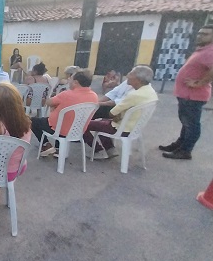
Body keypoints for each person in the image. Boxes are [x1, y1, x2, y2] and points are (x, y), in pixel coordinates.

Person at [159, 24, 213, 160]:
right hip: (187, 95)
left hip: (193, 95)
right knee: (186, 122)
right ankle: (180, 145)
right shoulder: (202, 50)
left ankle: (185, 151)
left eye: (205, 34)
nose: (200, 36)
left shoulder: (210, 51)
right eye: (200, 33)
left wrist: (199, 83)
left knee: (192, 124)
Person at [83, 65, 158, 159]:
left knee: (82, 124)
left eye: (131, 74)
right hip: (133, 125)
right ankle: (110, 149)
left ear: (138, 79)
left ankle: (98, 151)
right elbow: (113, 94)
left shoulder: (134, 95)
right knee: (102, 121)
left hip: (123, 127)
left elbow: (112, 113)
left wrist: (114, 115)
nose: (128, 75)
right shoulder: (149, 91)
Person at [31, 68, 98, 156]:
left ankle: (46, 145)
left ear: (76, 82)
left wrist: (54, 105)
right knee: (64, 119)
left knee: (32, 121)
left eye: (70, 79)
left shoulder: (66, 94)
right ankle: (58, 149)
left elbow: (48, 102)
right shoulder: (94, 96)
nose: (68, 80)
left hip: (58, 128)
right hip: (77, 130)